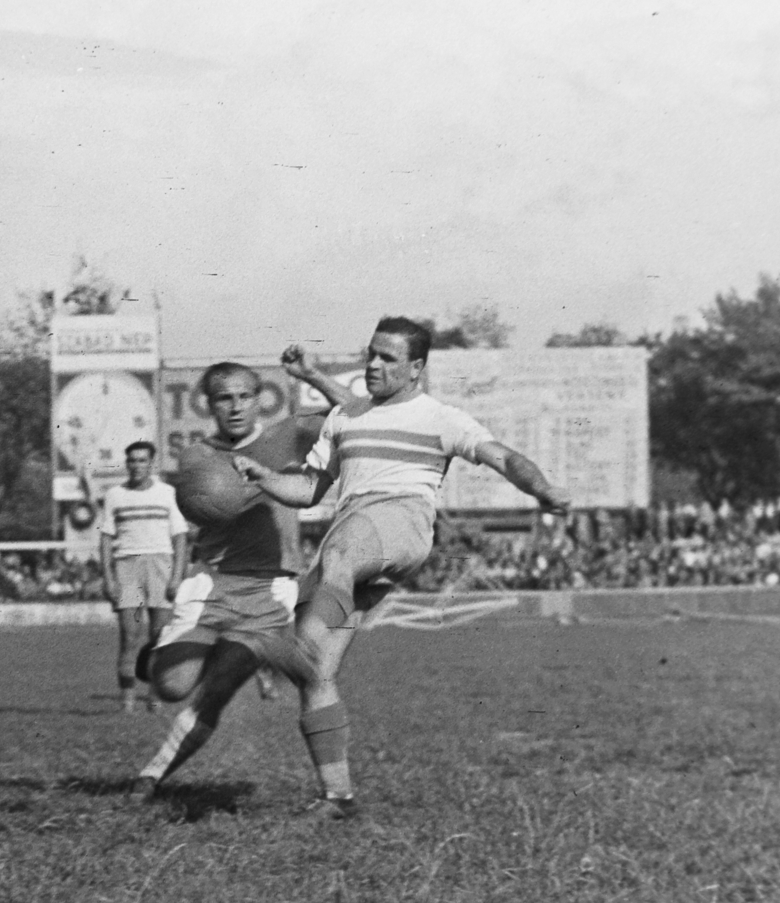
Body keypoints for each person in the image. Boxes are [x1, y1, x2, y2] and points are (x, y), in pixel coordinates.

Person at [233, 316, 571, 818]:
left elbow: (503, 458)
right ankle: (337, 796)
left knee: (339, 560)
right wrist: (263, 477)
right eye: (371, 353)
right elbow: (307, 491)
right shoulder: (343, 417)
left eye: (387, 358)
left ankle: (290, 646)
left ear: (416, 369)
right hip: (348, 536)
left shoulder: (441, 417)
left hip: (401, 523)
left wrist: (541, 488)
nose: (372, 364)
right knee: (317, 673)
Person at [128, 348, 352, 799]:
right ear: (209, 405)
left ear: (259, 400)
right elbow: (220, 498)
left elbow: (354, 413)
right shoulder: (194, 457)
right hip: (212, 583)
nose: (235, 406)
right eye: (224, 398)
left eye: (245, 396)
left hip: (270, 591)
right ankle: (161, 653)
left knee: (226, 690)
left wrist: (313, 375)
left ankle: (150, 777)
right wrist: (270, 480)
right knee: (173, 686)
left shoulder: (288, 435)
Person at [100, 441, 189, 713]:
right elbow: (105, 538)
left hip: (160, 566)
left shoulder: (167, 493)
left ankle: (154, 696)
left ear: (151, 463)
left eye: (142, 460)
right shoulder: (115, 495)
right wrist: (109, 577)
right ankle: (127, 700)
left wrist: (176, 577)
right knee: (130, 635)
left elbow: (181, 538)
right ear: (127, 464)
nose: (137, 466)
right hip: (129, 567)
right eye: (132, 461)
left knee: (159, 636)